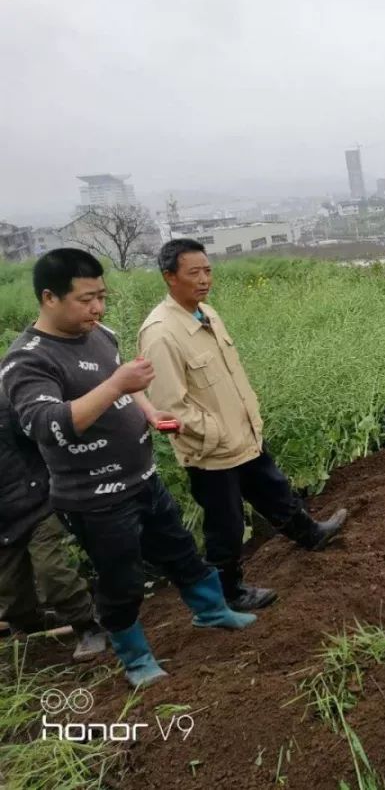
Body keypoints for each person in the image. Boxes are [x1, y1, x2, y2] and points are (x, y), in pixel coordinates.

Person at [1, 248, 256, 688]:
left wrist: (150, 412)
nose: (97, 308)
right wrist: (116, 385)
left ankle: (212, 612)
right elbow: (47, 426)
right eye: (86, 299)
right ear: (49, 298)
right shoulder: (28, 361)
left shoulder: (98, 333)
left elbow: (123, 375)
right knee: (122, 579)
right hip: (95, 499)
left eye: (101, 296)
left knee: (180, 551)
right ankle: (136, 659)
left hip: (142, 477)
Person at [138, 239, 347, 612]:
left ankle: (312, 535)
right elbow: (168, 407)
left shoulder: (208, 314)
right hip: (211, 450)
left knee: (274, 489)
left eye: (208, 271)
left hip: (242, 433)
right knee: (227, 524)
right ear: (169, 277)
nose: (204, 280)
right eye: (194, 273)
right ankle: (229, 591)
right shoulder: (161, 333)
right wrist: (215, 431)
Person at [0, 385, 106, 661]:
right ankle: (32, 624)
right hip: (3, 523)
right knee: (10, 595)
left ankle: (87, 625)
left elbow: (43, 437)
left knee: (52, 572)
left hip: (36, 504)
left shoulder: (6, 404)